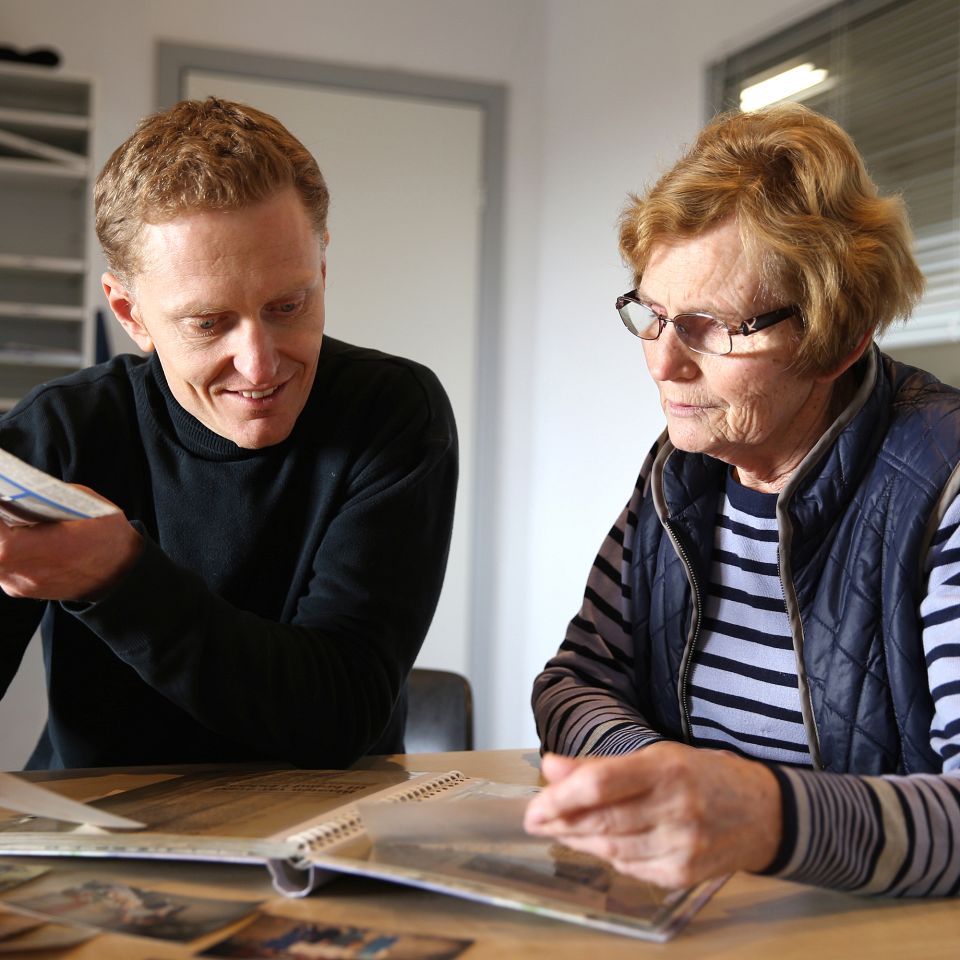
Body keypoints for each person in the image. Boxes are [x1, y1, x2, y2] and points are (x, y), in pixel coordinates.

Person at [526, 103, 960, 897]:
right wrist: (659, 775)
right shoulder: (680, 473)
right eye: (654, 315)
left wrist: (767, 819)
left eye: (711, 327)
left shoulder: (944, 484)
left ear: (840, 337)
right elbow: (574, 680)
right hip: (711, 912)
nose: (664, 364)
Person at [0, 98, 457, 769]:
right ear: (130, 313)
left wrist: (119, 576)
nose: (261, 366)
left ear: (322, 269)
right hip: (97, 819)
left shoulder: (391, 413)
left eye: (288, 306)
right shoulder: (58, 432)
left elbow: (340, 713)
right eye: (208, 324)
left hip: (323, 821)